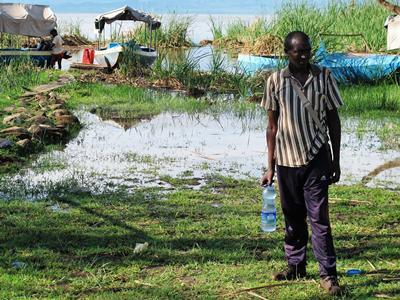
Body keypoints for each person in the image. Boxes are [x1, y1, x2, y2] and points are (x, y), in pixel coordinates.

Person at [260, 31, 343, 296]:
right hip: (285, 160)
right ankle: (295, 265)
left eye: (307, 50)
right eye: (298, 51)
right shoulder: (275, 81)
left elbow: (334, 121)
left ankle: (328, 274)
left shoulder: (324, 77)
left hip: (316, 157)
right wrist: (270, 167)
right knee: (292, 217)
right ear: (287, 53)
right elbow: (272, 127)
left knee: (319, 219)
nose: (304, 55)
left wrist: (335, 160)